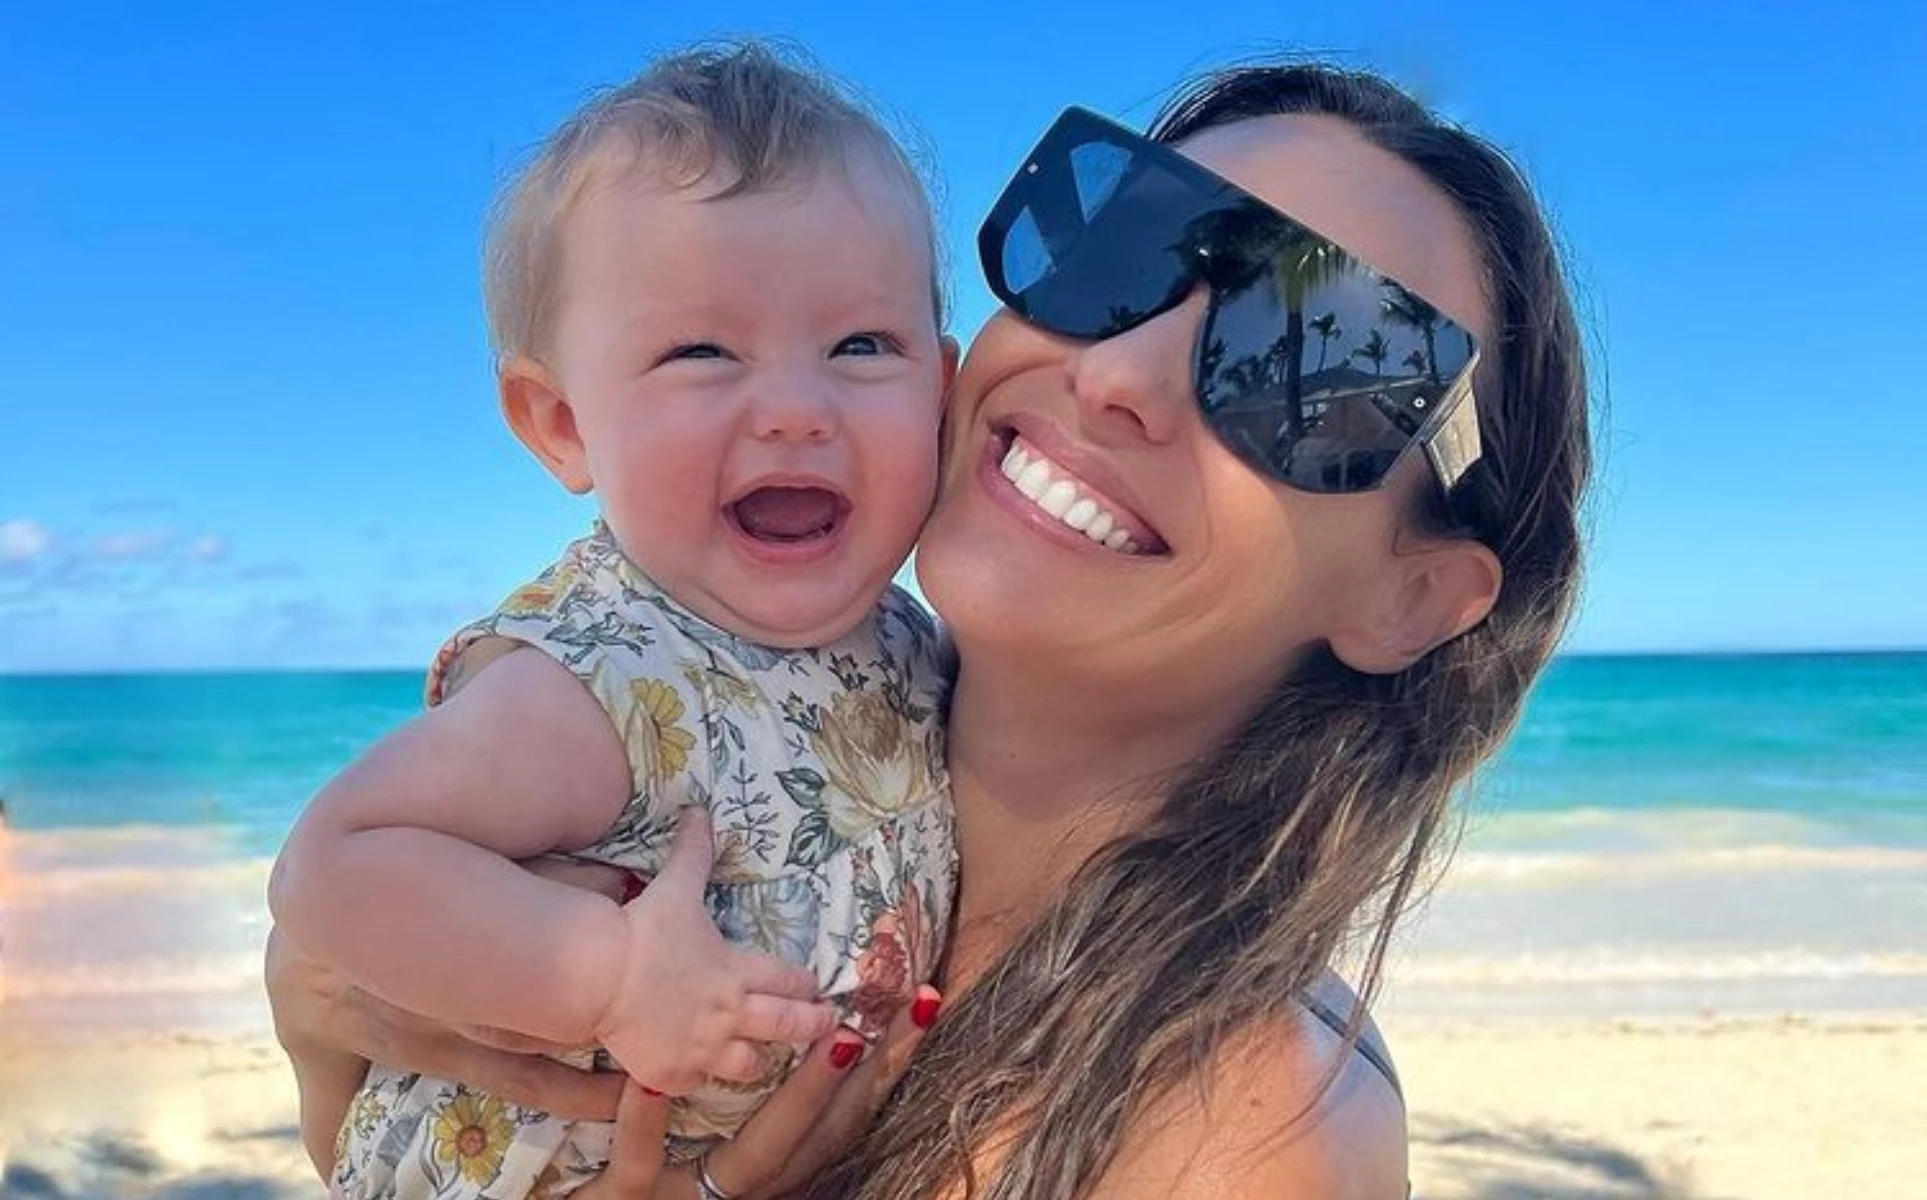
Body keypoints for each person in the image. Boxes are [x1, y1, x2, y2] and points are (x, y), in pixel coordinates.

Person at [268, 57, 1591, 1200]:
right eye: (1124, 250)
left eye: (1313, 359)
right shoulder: (722, 744)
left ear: (1408, 595)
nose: (1119, 372)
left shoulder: (1242, 1125)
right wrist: (328, 1033)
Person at [266, 43, 959, 1200]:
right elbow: (333, 865)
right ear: (561, 425)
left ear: (941, 385)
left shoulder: (910, 647)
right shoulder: (611, 677)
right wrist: (606, 978)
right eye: (701, 352)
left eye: (861, 346)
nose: (797, 408)